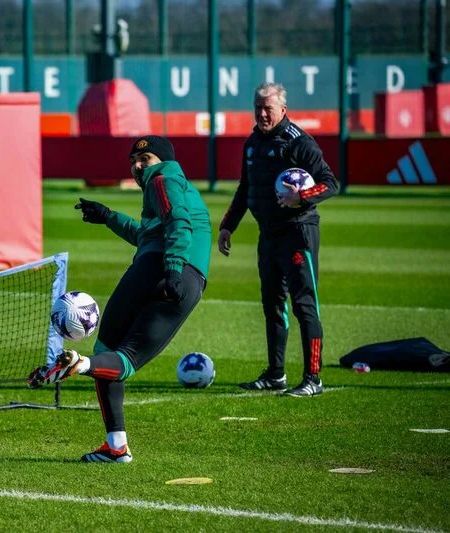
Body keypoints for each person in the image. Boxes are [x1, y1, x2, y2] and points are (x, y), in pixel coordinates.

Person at [27, 135, 211, 463]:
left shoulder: (163, 179)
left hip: (162, 267)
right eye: (133, 162)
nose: (138, 166)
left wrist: (171, 268)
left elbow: (178, 224)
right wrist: (108, 216)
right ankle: (112, 439)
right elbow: (147, 234)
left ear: (163, 160)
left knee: (107, 349)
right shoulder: (173, 185)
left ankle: (113, 437)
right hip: (191, 281)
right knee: (123, 361)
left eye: (145, 159)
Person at [218, 82, 338, 397]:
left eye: (267, 108)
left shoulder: (299, 142)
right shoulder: (252, 143)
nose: (261, 113)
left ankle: (314, 378)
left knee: (303, 305)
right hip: (268, 235)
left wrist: (303, 197)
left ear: (282, 110)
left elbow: (330, 182)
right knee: (272, 304)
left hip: (298, 232)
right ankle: (275, 374)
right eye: (257, 107)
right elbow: (246, 188)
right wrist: (228, 225)